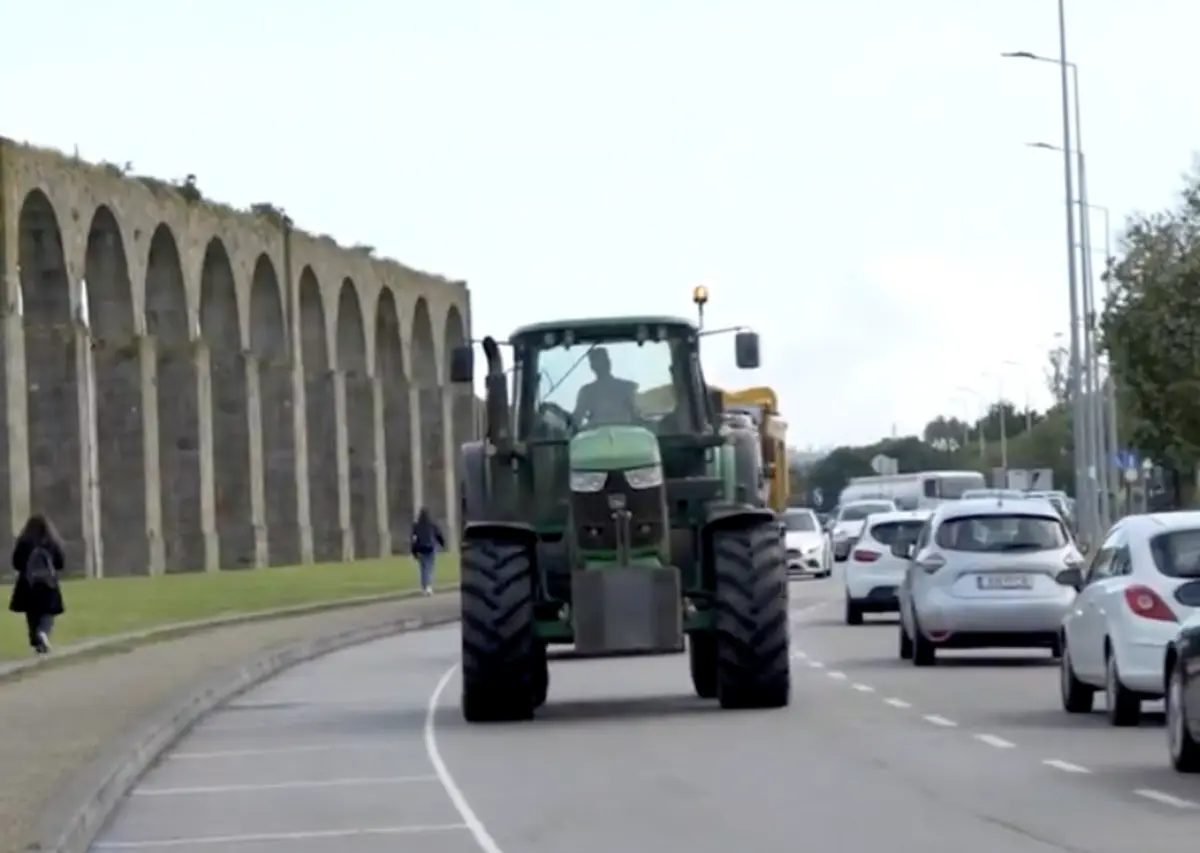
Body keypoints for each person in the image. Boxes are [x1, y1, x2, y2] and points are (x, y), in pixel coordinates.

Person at [8, 513, 66, 654]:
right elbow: (60, 563)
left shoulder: (24, 542)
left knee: (32, 615)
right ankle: (43, 633)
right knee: (47, 614)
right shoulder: (51, 542)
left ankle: (36, 642)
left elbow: (17, 563)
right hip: (48, 584)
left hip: (28, 585)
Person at [573, 347, 639, 426]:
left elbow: (637, 416)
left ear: (609, 362)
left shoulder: (627, 387)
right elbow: (576, 420)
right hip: (596, 436)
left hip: (625, 435)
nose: (604, 363)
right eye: (598, 361)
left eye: (605, 359)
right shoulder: (587, 392)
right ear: (592, 366)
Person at [410, 507, 445, 595]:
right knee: (429, 567)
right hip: (430, 548)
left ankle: (424, 586)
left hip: (420, 549)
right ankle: (428, 586)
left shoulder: (416, 526)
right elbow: (439, 535)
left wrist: (413, 551)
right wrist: (442, 544)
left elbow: (414, 539)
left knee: (423, 568)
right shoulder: (432, 525)